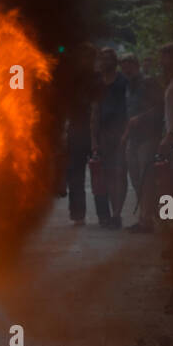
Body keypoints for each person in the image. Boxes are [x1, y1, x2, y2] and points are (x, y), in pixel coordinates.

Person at [119, 53, 163, 233]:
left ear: (136, 65)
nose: (126, 69)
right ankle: (146, 217)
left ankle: (146, 220)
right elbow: (129, 113)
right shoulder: (129, 85)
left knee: (147, 179)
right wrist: (126, 133)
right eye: (123, 66)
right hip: (133, 138)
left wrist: (141, 118)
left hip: (148, 137)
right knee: (136, 179)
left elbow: (160, 107)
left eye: (128, 65)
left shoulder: (148, 82)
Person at [89, 47, 128, 228]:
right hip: (104, 134)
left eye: (107, 58)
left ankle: (117, 214)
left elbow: (131, 106)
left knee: (119, 174)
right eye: (101, 58)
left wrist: (127, 133)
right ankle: (113, 214)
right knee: (107, 176)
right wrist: (94, 140)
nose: (104, 62)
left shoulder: (122, 81)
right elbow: (95, 112)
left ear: (114, 61)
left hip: (121, 133)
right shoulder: (98, 83)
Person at [62, 43, 98, 224]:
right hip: (77, 131)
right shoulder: (73, 80)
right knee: (75, 176)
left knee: (102, 173)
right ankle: (78, 215)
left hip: (95, 131)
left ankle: (105, 215)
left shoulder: (99, 79)